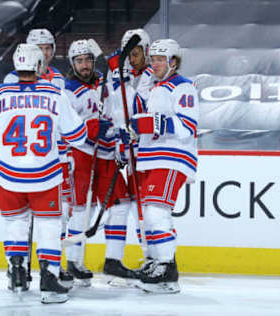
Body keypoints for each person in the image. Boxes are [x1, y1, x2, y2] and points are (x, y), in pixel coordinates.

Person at [0, 44, 104, 304]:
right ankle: (50, 280)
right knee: (48, 225)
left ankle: (17, 273)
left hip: (9, 175)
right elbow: (78, 136)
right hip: (45, 174)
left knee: (16, 223)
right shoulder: (55, 93)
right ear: (40, 66)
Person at [3, 28, 75, 287]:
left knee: (59, 214)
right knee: (40, 219)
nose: (45, 54)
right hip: (40, 164)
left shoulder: (57, 79)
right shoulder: (11, 81)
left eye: (48, 48)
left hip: (52, 158)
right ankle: (25, 269)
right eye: (39, 49)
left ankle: (48, 266)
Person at [63, 39, 138, 286]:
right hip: (82, 155)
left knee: (120, 205)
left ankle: (113, 262)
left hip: (107, 155)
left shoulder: (104, 84)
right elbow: (64, 127)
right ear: (72, 63)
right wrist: (92, 127)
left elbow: (117, 111)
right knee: (82, 210)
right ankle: (74, 263)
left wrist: (120, 132)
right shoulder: (67, 90)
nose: (84, 65)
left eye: (88, 60)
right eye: (79, 61)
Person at [127, 39, 199, 294]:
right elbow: (150, 126)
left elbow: (188, 126)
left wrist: (149, 124)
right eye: (153, 59)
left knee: (156, 213)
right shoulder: (157, 87)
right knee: (150, 215)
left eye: (161, 59)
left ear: (173, 62)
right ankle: (161, 262)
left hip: (171, 158)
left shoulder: (183, 86)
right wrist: (134, 133)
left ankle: (167, 268)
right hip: (152, 157)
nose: (155, 63)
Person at [107, 28, 157, 272]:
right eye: (129, 55)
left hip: (146, 151)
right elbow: (115, 109)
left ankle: (153, 256)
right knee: (135, 205)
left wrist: (122, 80)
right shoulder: (120, 72)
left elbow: (139, 106)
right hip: (127, 150)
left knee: (148, 207)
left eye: (136, 54)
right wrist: (118, 140)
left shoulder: (151, 75)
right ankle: (149, 256)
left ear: (146, 51)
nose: (132, 59)